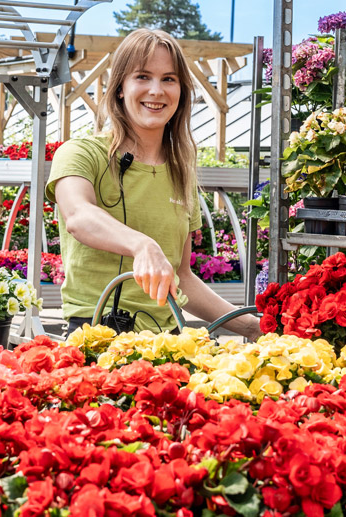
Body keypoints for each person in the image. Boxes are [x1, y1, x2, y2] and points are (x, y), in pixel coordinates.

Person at [46, 28, 261, 341]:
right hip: (97, 334)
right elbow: (78, 216)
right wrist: (141, 245)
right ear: (120, 87)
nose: (156, 91)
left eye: (169, 79)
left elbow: (182, 277)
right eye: (143, 77)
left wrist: (251, 327)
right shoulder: (81, 153)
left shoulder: (179, 171)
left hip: (168, 340)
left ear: (181, 92)